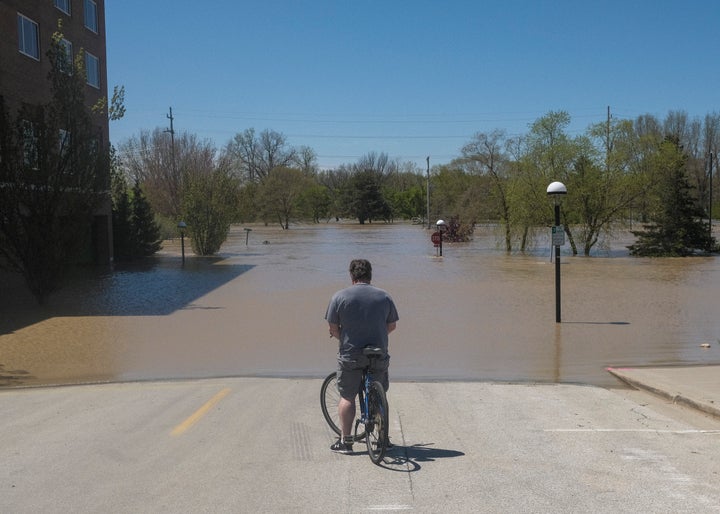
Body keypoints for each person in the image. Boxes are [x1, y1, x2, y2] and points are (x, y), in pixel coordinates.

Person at [325, 259, 399, 454]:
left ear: (351, 276)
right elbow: (392, 326)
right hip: (378, 353)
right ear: (370, 275)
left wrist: (344, 338)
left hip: (351, 354)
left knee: (347, 396)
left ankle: (346, 442)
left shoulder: (339, 297)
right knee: (378, 394)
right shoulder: (385, 296)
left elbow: (332, 328)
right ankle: (383, 438)